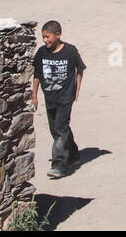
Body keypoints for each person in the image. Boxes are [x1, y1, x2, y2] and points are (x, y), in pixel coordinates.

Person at [31, 20, 86, 179]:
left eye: (48, 37)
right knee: (56, 129)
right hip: (49, 96)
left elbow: (80, 70)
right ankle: (74, 155)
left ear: (58, 35)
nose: (45, 40)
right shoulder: (42, 53)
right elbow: (37, 75)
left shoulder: (70, 51)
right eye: (43, 37)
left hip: (65, 97)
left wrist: (77, 90)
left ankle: (59, 164)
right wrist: (34, 96)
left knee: (60, 128)